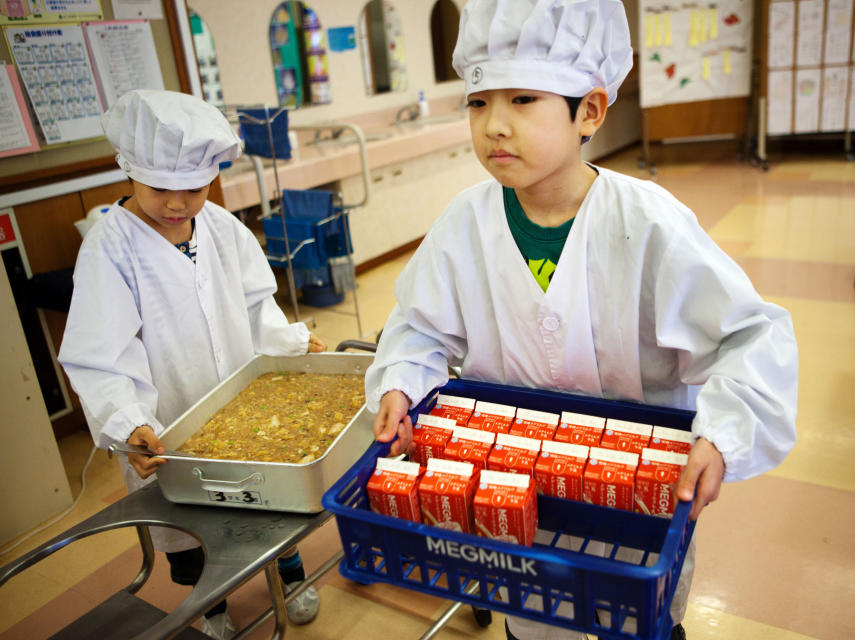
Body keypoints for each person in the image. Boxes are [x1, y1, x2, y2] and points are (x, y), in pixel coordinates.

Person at [365, 1, 799, 639]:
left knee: (637, 620)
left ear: (589, 112)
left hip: (640, 502)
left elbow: (748, 336)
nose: (495, 126)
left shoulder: (647, 223)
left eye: (523, 100)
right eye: (479, 102)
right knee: (534, 620)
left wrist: (723, 435)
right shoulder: (466, 223)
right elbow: (420, 327)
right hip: (511, 499)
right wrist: (401, 382)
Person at [58, 89, 326, 640]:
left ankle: (291, 573)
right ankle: (213, 604)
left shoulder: (223, 229)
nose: (178, 204)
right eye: (161, 189)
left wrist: (292, 343)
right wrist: (126, 420)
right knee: (194, 527)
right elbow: (98, 351)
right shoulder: (112, 246)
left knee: (270, 506)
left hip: (246, 407)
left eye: (195, 188)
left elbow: (256, 305)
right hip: (167, 419)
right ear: (128, 171)